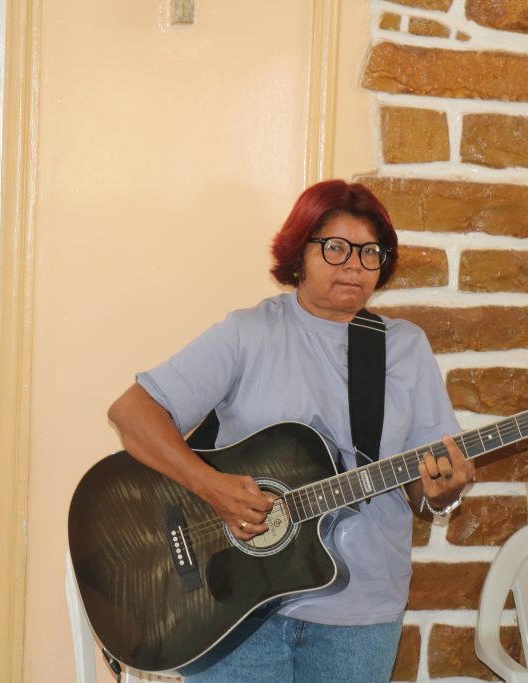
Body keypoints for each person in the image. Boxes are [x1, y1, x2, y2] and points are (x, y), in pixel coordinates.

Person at [107, 179, 473, 682]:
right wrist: (213, 488)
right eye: (336, 248)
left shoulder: (405, 348)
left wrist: (441, 496)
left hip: (360, 614)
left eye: (370, 252)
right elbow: (133, 413)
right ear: (299, 252)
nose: (354, 265)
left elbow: (425, 488)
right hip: (235, 606)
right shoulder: (249, 333)